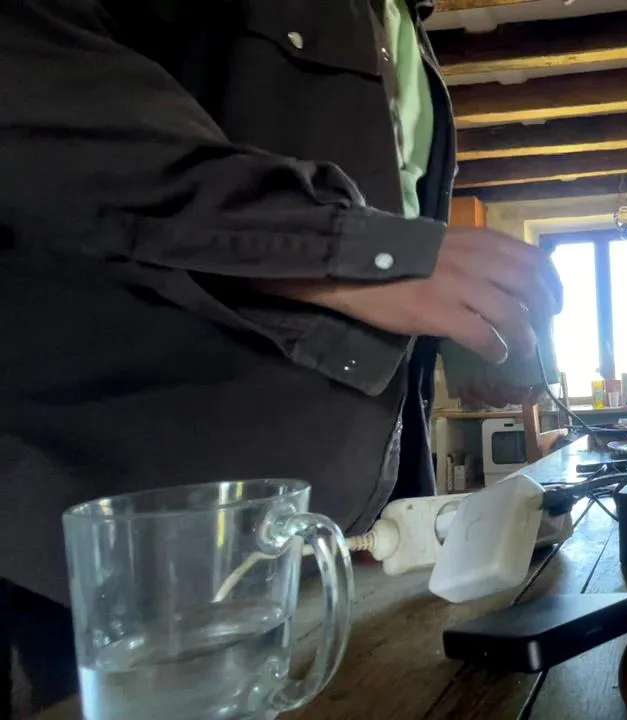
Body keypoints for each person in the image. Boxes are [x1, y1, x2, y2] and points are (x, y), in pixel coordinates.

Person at [0, 0, 560, 711]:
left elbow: (385, 248)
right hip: (119, 551)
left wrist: (454, 331)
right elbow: (31, 79)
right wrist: (362, 252)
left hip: (332, 535)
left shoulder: (404, 31)